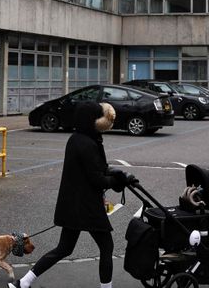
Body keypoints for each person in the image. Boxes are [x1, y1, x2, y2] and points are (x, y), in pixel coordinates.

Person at [11, 101, 135, 288]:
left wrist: (115, 173)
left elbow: (97, 170)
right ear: (92, 120)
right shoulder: (89, 143)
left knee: (64, 248)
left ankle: (24, 282)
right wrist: (119, 180)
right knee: (106, 247)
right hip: (87, 206)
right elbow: (97, 179)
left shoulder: (77, 138)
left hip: (72, 205)